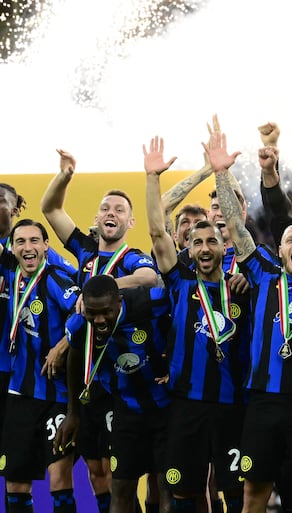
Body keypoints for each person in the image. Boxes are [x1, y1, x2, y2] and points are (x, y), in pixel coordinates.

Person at [207, 130, 292, 513]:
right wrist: (220, 173)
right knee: (254, 495)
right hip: (262, 403)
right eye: (290, 240)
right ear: (279, 250)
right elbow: (235, 227)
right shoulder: (263, 271)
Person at [41, 149, 159, 513]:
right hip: (87, 382)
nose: (112, 213)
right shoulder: (86, 251)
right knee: (97, 471)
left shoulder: (133, 256)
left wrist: (104, 288)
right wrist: (65, 175)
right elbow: (51, 210)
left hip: (125, 386)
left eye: (120, 210)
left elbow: (149, 277)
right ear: (96, 218)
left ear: (131, 222)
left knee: (126, 476)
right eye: (106, 208)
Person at [144, 136, 251, 513]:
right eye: (196, 242)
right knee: (185, 494)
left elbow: (240, 227)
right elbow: (157, 232)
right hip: (185, 405)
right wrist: (153, 178)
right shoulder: (181, 282)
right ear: (187, 249)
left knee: (237, 495)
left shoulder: (245, 287)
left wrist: (221, 172)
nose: (204, 248)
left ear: (225, 247)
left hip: (232, 406)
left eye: (211, 241)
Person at [55, 274, 172, 513]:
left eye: (106, 312)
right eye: (92, 313)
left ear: (119, 301)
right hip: (125, 411)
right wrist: (73, 413)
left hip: (165, 409)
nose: (98, 320)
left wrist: (175, 360)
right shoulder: (79, 324)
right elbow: (75, 358)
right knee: (120, 488)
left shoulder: (150, 302)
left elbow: (184, 305)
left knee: (165, 486)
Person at [0, 219, 80, 513]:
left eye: (35, 240)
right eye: (20, 241)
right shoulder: (9, 271)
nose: (28, 247)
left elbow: (84, 310)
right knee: (15, 483)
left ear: (46, 246)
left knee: (59, 478)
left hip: (56, 396)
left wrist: (62, 344)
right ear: (12, 248)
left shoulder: (57, 278)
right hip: (19, 393)